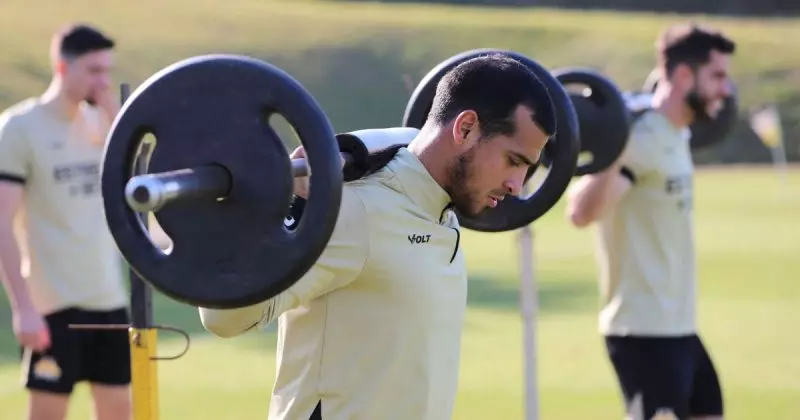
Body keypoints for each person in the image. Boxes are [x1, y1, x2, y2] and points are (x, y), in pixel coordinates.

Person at [198, 53, 555, 420]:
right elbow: (224, 319)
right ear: (464, 129)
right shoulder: (358, 212)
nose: (517, 186)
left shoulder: (439, 202)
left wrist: (346, 146)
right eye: (514, 162)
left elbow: (410, 141)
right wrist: (291, 207)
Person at [565, 23, 736, 420]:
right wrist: (615, 146)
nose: (726, 90)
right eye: (718, 76)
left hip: (680, 328)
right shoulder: (639, 138)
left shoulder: (676, 134)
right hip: (642, 331)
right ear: (682, 76)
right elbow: (581, 212)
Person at [0, 24, 131, 420]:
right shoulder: (20, 128)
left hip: (109, 301)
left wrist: (115, 117)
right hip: (52, 306)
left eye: (106, 71)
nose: (102, 81)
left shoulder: (103, 124)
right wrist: (23, 307)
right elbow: (1, 222)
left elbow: (143, 180)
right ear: (62, 66)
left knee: (118, 413)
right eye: (93, 71)